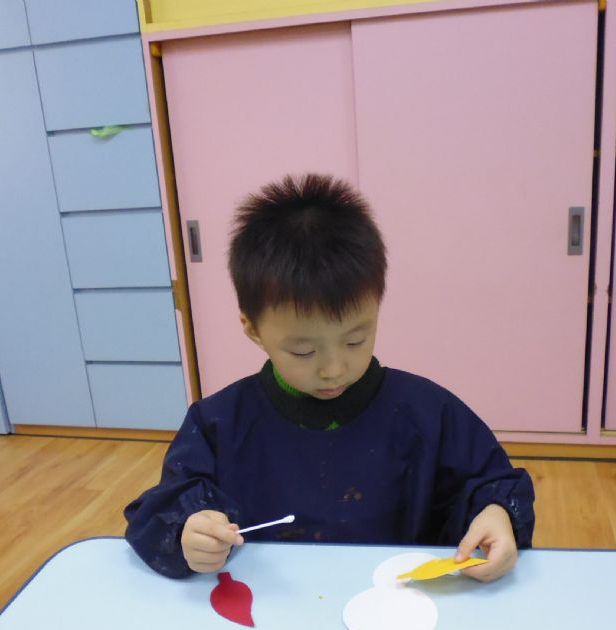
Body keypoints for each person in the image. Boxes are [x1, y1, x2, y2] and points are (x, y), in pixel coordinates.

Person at [124, 174, 535, 581]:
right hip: (269, 607)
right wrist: (190, 531)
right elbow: (166, 511)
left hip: (397, 604)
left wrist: (496, 513)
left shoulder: (428, 414)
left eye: (356, 340)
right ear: (253, 329)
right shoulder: (218, 425)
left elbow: (490, 482)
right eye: (304, 351)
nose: (334, 369)